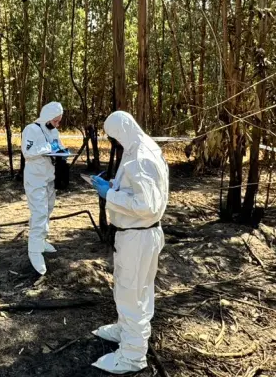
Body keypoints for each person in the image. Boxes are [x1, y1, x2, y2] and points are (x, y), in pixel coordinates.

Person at [89, 111, 169, 374]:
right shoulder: (141, 147)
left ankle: (133, 356)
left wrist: (110, 194)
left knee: (130, 293)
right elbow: (141, 192)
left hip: (138, 236)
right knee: (137, 290)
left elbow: (147, 205)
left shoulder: (140, 157)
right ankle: (128, 330)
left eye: (114, 137)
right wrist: (116, 185)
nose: (115, 142)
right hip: (140, 235)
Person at [22, 101, 66, 275]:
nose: (57, 124)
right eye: (55, 120)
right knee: (39, 212)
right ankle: (34, 250)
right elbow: (28, 151)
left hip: (49, 178)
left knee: (47, 210)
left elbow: (58, 146)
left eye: (59, 121)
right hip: (35, 179)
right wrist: (48, 148)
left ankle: (41, 241)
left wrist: (62, 150)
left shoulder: (54, 131)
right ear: (47, 116)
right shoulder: (31, 129)